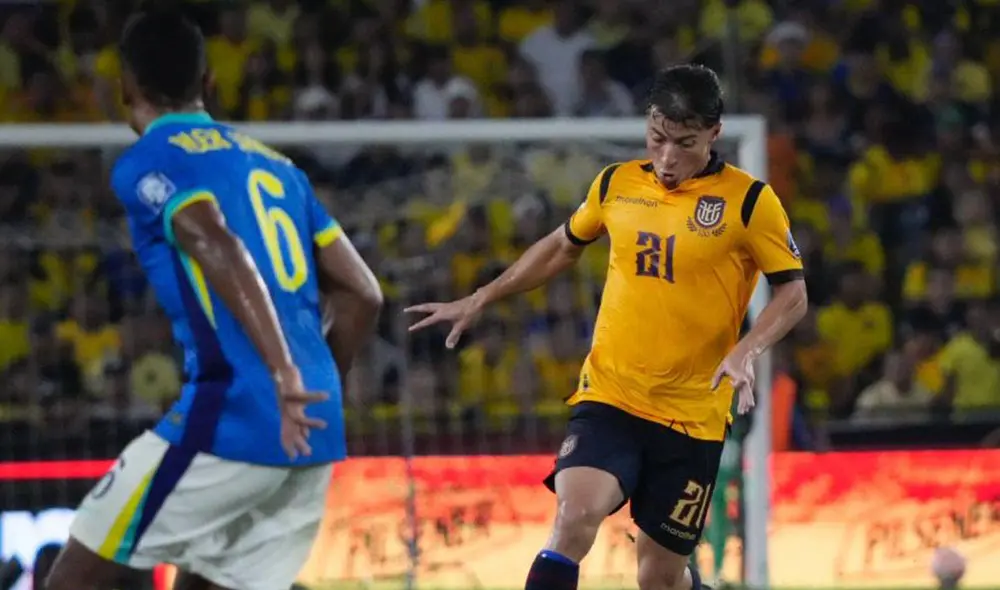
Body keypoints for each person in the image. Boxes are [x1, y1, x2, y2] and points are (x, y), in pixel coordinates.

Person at [407, 64, 808, 590]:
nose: (667, 157)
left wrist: (746, 350)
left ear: (714, 133)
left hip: (691, 417)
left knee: (658, 578)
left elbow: (793, 294)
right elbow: (561, 246)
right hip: (611, 396)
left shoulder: (750, 201)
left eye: (685, 144)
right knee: (573, 518)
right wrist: (484, 295)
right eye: (657, 138)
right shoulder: (617, 183)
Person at [45, 11, 383, 590]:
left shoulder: (152, 159)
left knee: (73, 576)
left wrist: (281, 374)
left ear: (125, 85)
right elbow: (363, 294)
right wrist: (313, 386)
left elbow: (216, 242)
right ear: (209, 84)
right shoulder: (281, 169)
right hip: (314, 430)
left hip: (234, 414)